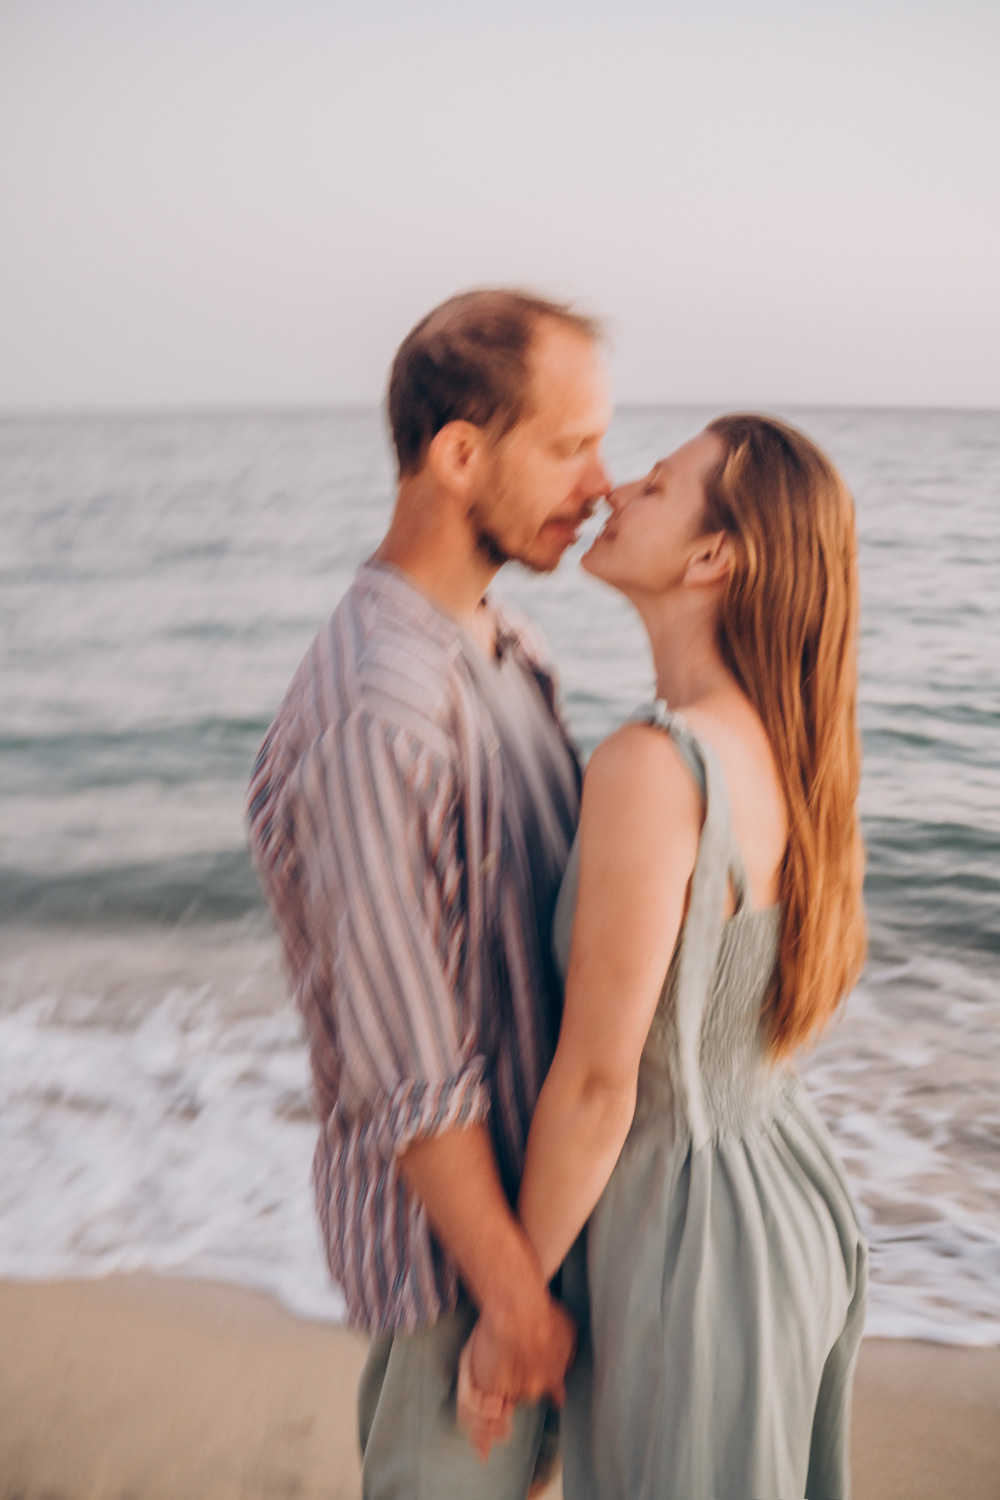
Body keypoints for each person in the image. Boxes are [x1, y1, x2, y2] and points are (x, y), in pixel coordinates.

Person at [459, 414, 869, 1499]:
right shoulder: (785, 745)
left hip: (691, 1250)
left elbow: (598, 1090)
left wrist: (513, 1312)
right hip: (785, 1200)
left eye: (655, 481)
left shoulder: (655, 763)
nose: (614, 489)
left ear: (711, 557)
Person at [246, 288, 612, 1497]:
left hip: (532, 1240)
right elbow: (408, 1066)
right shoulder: (379, 707)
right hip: (463, 1278)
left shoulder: (504, 643)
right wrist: (512, 1303)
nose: (601, 483)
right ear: (460, 454)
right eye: (569, 447)